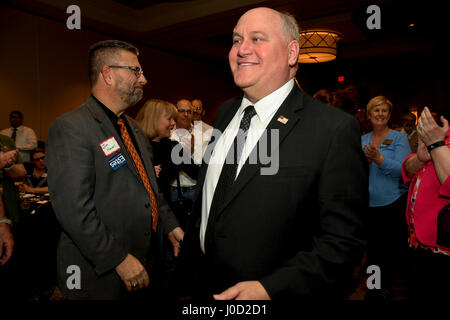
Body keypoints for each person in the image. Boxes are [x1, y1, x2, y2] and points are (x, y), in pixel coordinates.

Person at [180, 7, 368, 300]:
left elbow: (342, 241)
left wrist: (270, 289)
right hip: (203, 287)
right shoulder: (227, 113)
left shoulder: (333, 129)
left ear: (292, 52)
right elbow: (217, 195)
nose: (242, 50)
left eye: (257, 39)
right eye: (236, 39)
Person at [46, 40, 183, 300]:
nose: (143, 79)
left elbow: (149, 189)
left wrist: (171, 227)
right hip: (101, 273)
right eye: (136, 71)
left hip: (146, 260)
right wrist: (118, 258)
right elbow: (74, 211)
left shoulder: (133, 128)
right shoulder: (72, 128)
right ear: (108, 74)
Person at [361, 96, 411, 299]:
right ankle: (374, 290)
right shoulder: (362, 140)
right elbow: (354, 171)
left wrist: (379, 159)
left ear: (389, 115)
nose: (380, 114)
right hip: (368, 205)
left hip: (393, 203)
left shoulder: (399, 138)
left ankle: (386, 290)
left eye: (384, 111)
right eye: (376, 110)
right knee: (372, 253)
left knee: (389, 252)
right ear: (369, 114)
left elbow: (404, 169)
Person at [402, 106, 449, 299]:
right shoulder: (434, 139)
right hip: (416, 242)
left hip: (442, 247)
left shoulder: (439, 142)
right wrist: (420, 159)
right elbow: (407, 169)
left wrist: (437, 144)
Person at [135, 99, 199, 221]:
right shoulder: (135, 146)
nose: (173, 123)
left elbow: (197, 173)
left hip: (166, 215)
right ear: (154, 119)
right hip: (141, 215)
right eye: (169, 119)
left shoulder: (173, 147)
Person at [170, 99, 198, 202]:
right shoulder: (167, 134)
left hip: (195, 188)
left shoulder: (202, 134)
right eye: (181, 111)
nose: (186, 114)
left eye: (189, 111)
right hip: (172, 189)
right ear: (175, 113)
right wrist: (186, 154)